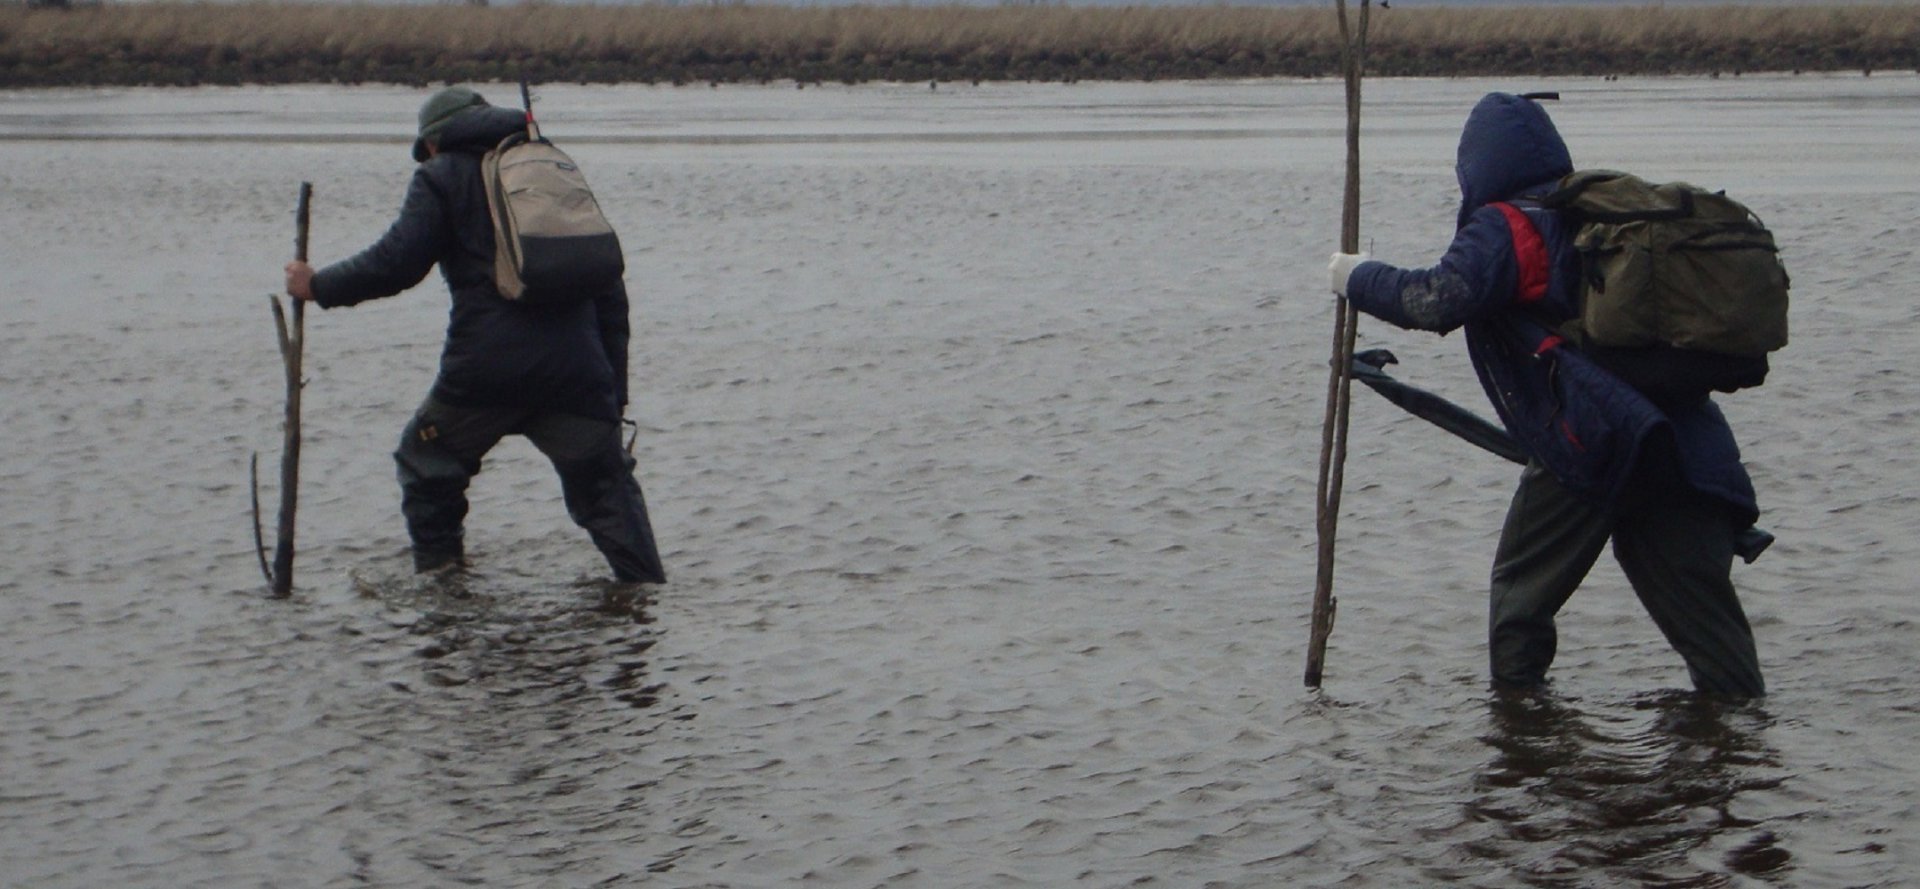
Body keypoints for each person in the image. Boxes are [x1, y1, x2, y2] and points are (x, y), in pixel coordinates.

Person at [1327, 92, 1763, 697]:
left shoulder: (1508, 225)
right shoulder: (1594, 214)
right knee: (1719, 651)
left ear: (1478, 165)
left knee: (1519, 603)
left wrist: (1353, 276)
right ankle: (1744, 744)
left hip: (1589, 439)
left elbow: (1433, 300)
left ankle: (1518, 730)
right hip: (1683, 445)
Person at [284, 85, 666, 584]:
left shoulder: (440, 175)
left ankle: (444, 592)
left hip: (487, 371)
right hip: (578, 373)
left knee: (426, 461)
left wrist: (318, 286)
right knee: (607, 489)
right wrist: (612, 395)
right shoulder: (551, 168)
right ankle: (647, 598)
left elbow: (397, 263)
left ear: (433, 142)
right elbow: (609, 290)